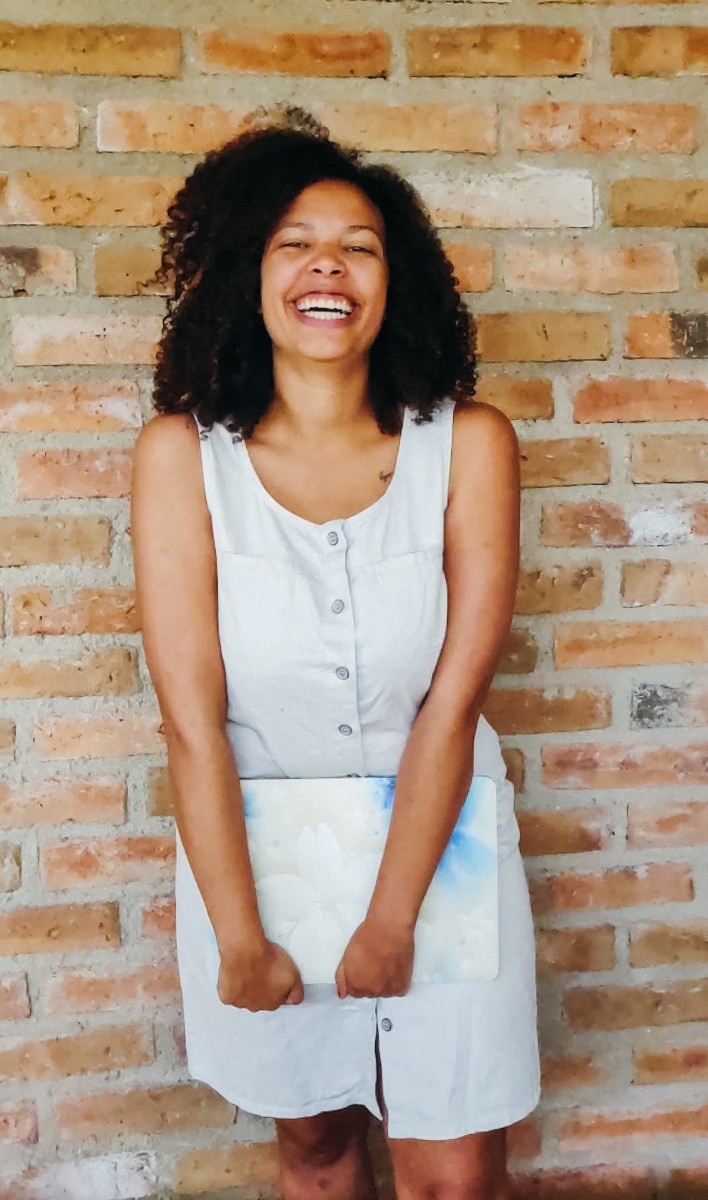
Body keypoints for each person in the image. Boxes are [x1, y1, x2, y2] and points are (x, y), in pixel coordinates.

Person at [131, 107, 540, 1200]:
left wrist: (394, 918)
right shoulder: (184, 458)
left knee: (453, 1168)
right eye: (295, 243)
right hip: (256, 856)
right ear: (248, 276)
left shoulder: (471, 444)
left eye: (358, 246)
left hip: (442, 840)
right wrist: (240, 938)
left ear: (392, 280)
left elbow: (453, 701)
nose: (329, 267)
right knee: (314, 1149)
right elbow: (189, 717)